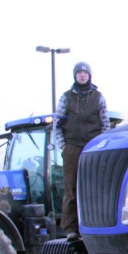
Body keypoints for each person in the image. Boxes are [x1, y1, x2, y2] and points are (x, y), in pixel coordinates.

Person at [54, 62, 110, 240]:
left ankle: (97, 224)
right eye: (79, 73)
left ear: (90, 76)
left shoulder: (99, 97)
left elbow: (105, 124)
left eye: (85, 73)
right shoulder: (66, 97)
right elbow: (57, 125)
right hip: (72, 147)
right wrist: (63, 147)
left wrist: (103, 146)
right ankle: (71, 228)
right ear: (75, 76)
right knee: (71, 188)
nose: (82, 75)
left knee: (95, 187)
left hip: (94, 147)